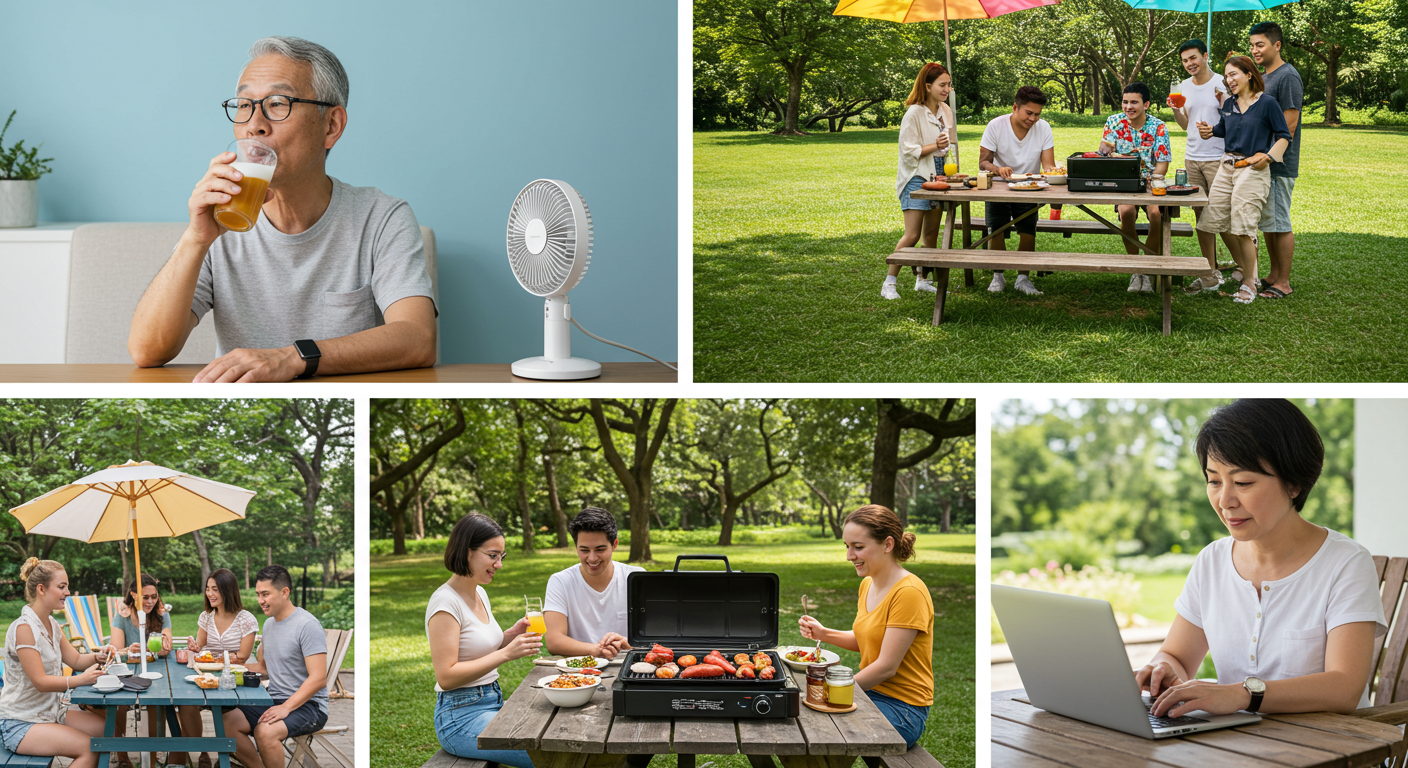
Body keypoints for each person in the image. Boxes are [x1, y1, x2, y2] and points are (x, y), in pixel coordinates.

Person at [128, 35, 437, 381]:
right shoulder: (221, 221)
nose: (253, 125)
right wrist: (195, 239)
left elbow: (418, 338)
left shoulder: (381, 217)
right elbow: (147, 350)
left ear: (331, 126)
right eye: (244, 105)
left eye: (278, 103)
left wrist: (293, 358)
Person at [1138, 399, 1385, 719]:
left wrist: (1241, 695)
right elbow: (1177, 657)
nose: (1225, 500)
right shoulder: (1211, 561)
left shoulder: (1346, 563)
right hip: (1234, 746)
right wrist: (1162, 670)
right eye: (1214, 480)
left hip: (1327, 748)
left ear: (1294, 483)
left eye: (1243, 483)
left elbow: (1344, 688)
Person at [798, 505, 934, 749]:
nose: (850, 556)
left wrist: (831, 689)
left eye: (858, 547)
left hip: (902, 709)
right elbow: (866, 641)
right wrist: (824, 633)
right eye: (847, 547)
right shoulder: (868, 585)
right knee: (805, 719)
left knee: (822, 729)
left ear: (888, 544)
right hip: (869, 694)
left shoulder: (909, 593)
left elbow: (886, 667)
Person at [427, 514, 539, 768]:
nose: (499, 564)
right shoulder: (445, 604)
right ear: (468, 552)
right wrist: (507, 654)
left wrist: (512, 634)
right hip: (460, 718)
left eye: (502, 556)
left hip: (492, 702)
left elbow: (476, 647)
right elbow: (446, 676)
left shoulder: (479, 592)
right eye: (492, 555)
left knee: (559, 732)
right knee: (550, 755)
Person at [1195, 57, 1292, 305]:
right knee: (1206, 224)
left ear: (1249, 74)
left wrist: (1268, 157)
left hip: (1252, 168)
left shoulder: (1267, 104)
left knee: (1242, 228)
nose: (1229, 80)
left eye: (1234, 74)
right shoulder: (1229, 104)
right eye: (1227, 76)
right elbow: (1225, 128)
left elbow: (1283, 136)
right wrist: (1210, 131)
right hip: (1226, 166)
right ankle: (1210, 275)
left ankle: (1250, 281)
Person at [0, 558, 114, 768]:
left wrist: (99, 655)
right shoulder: (24, 629)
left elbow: (77, 660)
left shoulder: (52, 623)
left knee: (107, 729)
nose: (68, 592)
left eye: (67, 586)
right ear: (41, 589)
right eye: (62, 587)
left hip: (51, 712)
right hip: (21, 722)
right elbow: (41, 682)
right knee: (89, 748)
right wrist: (80, 680)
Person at [223, 565, 329, 768]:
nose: (260, 600)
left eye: (265, 594)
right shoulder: (270, 624)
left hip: (310, 706)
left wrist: (285, 708)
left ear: (285, 592)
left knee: (265, 730)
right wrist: (227, 665)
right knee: (227, 721)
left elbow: (318, 678)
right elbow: (265, 667)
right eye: (257, 594)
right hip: (274, 699)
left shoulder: (307, 625)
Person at [883, 62, 958, 301]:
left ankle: (922, 280)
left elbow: (949, 142)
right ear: (928, 86)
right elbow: (908, 151)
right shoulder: (914, 112)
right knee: (912, 235)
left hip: (939, 173)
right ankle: (889, 282)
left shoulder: (945, 110)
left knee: (931, 235)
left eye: (948, 85)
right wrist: (936, 145)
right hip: (917, 175)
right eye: (942, 84)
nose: (947, 89)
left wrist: (948, 152)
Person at [979, 86, 1058, 296]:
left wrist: (1055, 173)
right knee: (996, 229)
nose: (1033, 119)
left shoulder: (1044, 128)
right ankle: (998, 275)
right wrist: (998, 169)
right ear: (1015, 107)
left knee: (1028, 230)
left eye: (1037, 114)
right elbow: (983, 162)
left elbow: (1048, 166)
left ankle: (1023, 278)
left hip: (1029, 186)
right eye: (1029, 113)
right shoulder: (996, 125)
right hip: (999, 186)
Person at [180, 568, 259, 768]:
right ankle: (202, 749)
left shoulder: (246, 619)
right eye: (208, 589)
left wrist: (219, 659)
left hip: (233, 680)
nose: (210, 594)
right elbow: (200, 647)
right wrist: (194, 648)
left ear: (228, 590)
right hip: (206, 675)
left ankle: (227, 755)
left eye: (215, 589)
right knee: (186, 704)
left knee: (223, 710)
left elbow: (242, 656)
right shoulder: (206, 616)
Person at [1168, 39, 1230, 294]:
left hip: (1219, 158)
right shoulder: (1183, 87)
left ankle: (1249, 270)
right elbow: (1185, 125)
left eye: (1193, 58)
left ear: (1205, 56)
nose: (1189, 64)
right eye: (1184, 60)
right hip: (1192, 158)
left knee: (1223, 217)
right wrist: (1176, 110)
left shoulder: (1222, 83)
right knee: (1200, 217)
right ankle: (1211, 271)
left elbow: (1233, 119)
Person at [1099, 83, 1172, 293]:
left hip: (1151, 182)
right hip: (1124, 182)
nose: (1128, 106)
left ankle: (1147, 269)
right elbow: (1105, 151)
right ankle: (1135, 268)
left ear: (1146, 104)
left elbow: (1163, 162)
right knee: (1126, 211)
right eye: (1125, 102)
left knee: (1156, 214)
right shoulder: (1114, 121)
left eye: (1134, 102)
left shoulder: (1158, 126)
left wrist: (1154, 181)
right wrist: (1105, 149)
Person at [543, 507, 644, 658]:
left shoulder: (636, 577)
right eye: (584, 550)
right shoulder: (561, 581)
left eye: (600, 549)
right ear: (576, 547)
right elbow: (553, 641)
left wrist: (629, 643)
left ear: (614, 545)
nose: (592, 558)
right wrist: (596, 649)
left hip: (629, 664)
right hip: (578, 671)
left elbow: (655, 636)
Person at [1249, 21, 1304, 299]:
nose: (1255, 50)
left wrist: (1269, 157)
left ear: (1276, 45)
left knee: (1280, 222)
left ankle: (1283, 282)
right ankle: (1272, 274)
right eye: (1252, 45)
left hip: (1278, 163)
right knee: (1268, 222)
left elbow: (1290, 123)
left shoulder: (1287, 76)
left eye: (1260, 44)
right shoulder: (1262, 76)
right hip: (1262, 161)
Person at [109, 573, 173, 768]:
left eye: (154, 596)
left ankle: (153, 759)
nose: (151, 601)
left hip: (155, 671)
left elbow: (166, 645)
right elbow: (116, 650)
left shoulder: (161, 614)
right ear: (134, 595)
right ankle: (123, 756)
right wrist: (129, 650)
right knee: (119, 703)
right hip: (128, 672)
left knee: (155, 701)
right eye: (145, 597)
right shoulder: (123, 615)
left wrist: (163, 646)